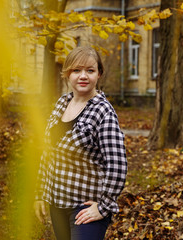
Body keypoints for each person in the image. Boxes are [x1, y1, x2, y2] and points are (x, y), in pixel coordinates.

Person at [34, 46, 127, 240]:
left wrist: (104, 206)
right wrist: (41, 193)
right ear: (67, 74)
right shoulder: (61, 104)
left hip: (86, 207)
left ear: (99, 74)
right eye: (76, 70)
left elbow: (117, 165)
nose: (83, 76)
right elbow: (47, 153)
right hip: (57, 202)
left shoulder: (103, 112)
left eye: (90, 70)